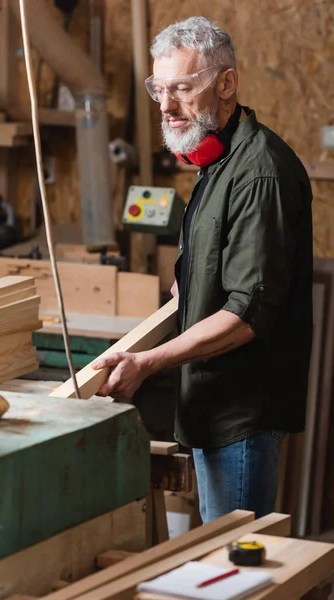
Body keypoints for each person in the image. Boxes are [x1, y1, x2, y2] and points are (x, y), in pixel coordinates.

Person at [93, 16, 313, 524]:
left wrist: (147, 363)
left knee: (232, 565)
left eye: (183, 89)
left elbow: (246, 315)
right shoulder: (217, 160)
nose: (166, 106)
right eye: (159, 89)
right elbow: (217, 268)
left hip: (240, 414)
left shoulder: (259, 174)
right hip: (209, 403)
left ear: (227, 83)